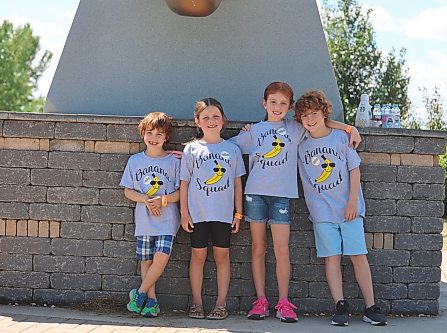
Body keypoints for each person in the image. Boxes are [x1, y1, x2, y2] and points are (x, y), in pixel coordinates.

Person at [229, 82, 361, 323]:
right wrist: (194, 147)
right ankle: (260, 301)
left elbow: (324, 122)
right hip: (254, 195)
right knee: (258, 248)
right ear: (264, 103)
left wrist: (350, 128)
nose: (277, 107)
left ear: (290, 107)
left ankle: (283, 302)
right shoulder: (254, 131)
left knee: (281, 250)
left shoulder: (295, 127)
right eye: (273, 102)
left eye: (283, 103)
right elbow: (228, 148)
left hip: (282, 196)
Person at [294, 90, 387, 326]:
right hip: (321, 211)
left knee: (358, 255)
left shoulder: (340, 138)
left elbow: (354, 169)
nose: (310, 119)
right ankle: (340, 305)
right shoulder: (301, 142)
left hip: (349, 209)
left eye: (314, 114)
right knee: (332, 258)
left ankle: (370, 306)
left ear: (323, 113)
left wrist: (353, 200)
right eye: (305, 115)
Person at [180, 97, 246, 320]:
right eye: (206, 117)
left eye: (215, 116)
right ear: (197, 121)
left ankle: (220, 304)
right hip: (197, 214)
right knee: (197, 257)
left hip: (223, 214)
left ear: (223, 120)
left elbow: (237, 183)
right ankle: (197, 304)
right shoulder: (191, 150)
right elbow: (184, 183)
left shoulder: (232, 149)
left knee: (222, 256)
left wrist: (238, 212)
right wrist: (183, 213)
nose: (211, 121)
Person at [120, 112, 181, 318]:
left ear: (167, 137)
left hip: (167, 220)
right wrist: (146, 199)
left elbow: (181, 192)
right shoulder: (135, 161)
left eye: (159, 134)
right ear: (142, 134)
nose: (154, 137)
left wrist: (162, 200)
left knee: (161, 257)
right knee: (146, 260)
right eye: (150, 133)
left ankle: (139, 293)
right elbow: (128, 191)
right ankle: (151, 302)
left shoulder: (173, 161)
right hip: (145, 220)